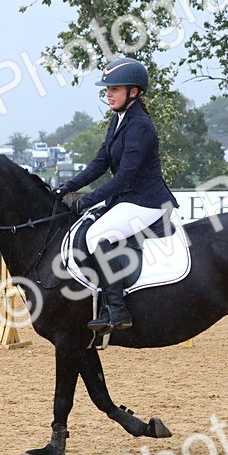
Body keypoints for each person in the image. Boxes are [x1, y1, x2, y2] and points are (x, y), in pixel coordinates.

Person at [54, 57, 176, 331]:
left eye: (114, 89)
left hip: (146, 201)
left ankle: (118, 310)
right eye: (107, 90)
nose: (108, 94)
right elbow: (100, 162)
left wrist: (87, 200)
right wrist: (68, 186)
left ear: (133, 92)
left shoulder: (140, 125)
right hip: (127, 199)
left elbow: (125, 178)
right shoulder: (118, 120)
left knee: (97, 235)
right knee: (84, 228)